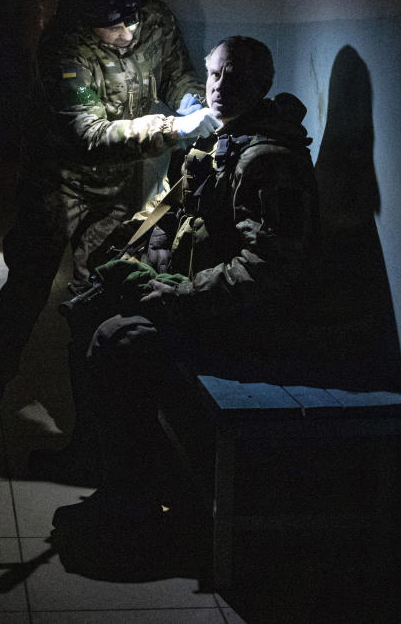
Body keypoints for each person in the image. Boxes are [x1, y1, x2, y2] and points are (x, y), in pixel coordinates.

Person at [0, 0, 219, 472]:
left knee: (99, 302)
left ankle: (93, 442)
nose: (125, 33)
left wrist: (190, 99)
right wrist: (173, 128)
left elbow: (177, 69)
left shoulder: (152, 20)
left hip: (109, 192)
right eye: (111, 27)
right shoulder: (62, 47)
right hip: (54, 185)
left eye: (129, 21)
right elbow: (88, 134)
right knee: (23, 298)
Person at [50, 35, 321, 529]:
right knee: (88, 312)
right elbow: (169, 213)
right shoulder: (218, 142)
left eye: (235, 77)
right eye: (215, 74)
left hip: (247, 320)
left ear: (262, 85)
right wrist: (129, 259)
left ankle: (131, 499)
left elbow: (269, 268)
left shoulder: (267, 160)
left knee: (119, 341)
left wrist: (177, 295)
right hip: (203, 300)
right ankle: (95, 457)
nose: (220, 87)